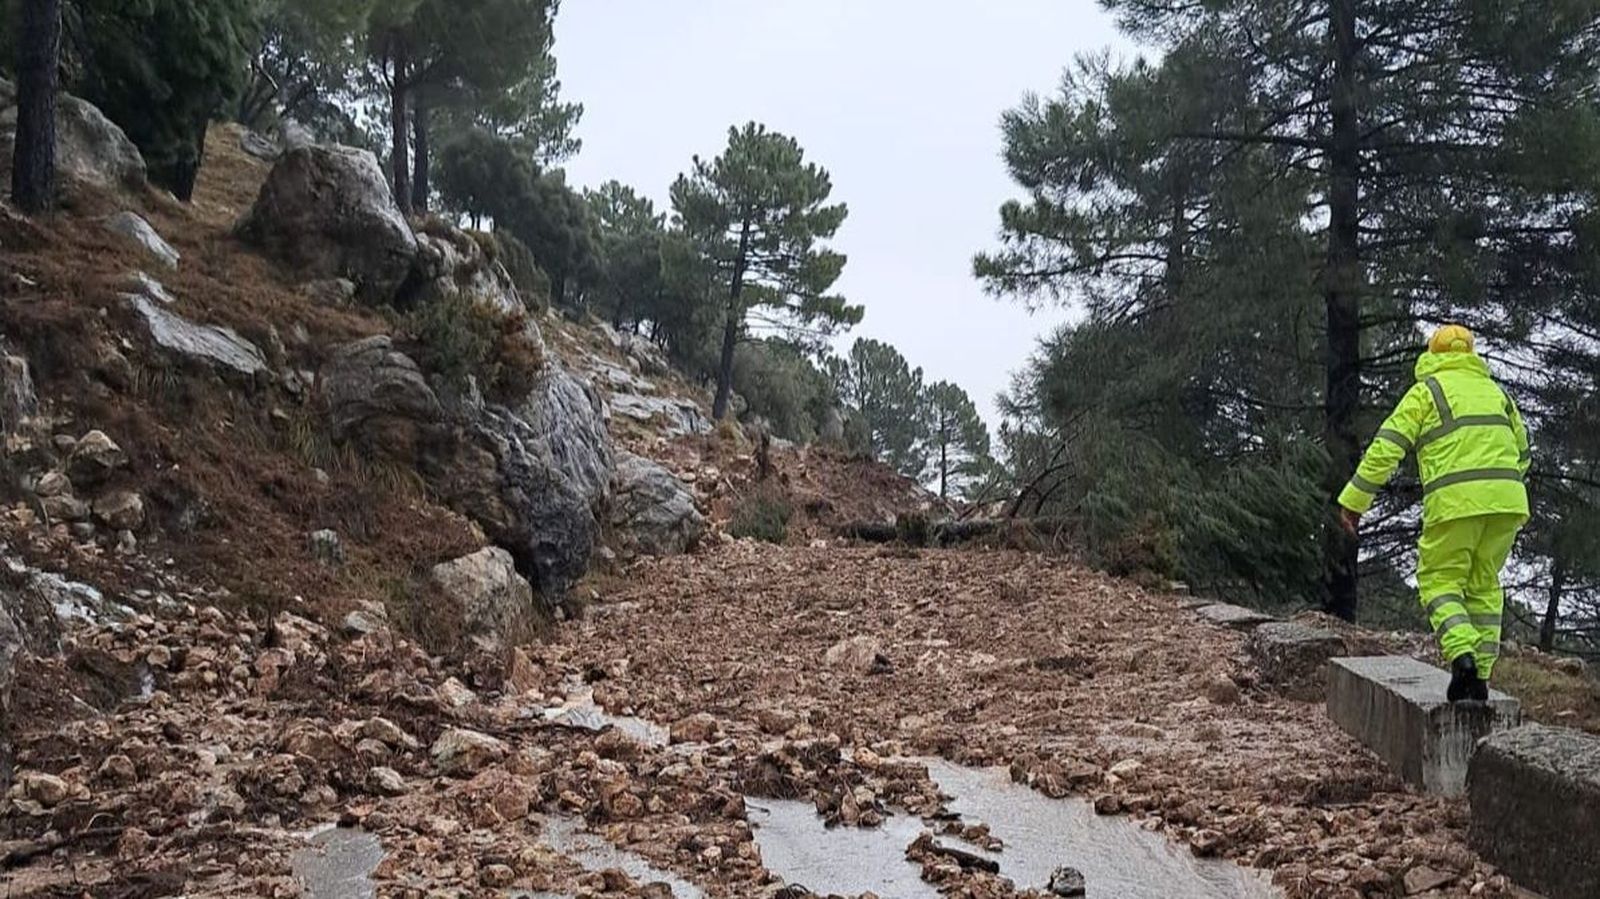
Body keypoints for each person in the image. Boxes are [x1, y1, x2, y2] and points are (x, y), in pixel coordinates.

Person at [1336, 325, 1531, 702]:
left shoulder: (1427, 392)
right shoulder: (1499, 394)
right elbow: (1523, 454)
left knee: (1439, 580)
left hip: (1456, 504)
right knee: (1484, 586)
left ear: (1433, 354)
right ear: (1471, 354)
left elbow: (1386, 449)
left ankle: (1463, 659)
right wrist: (1499, 490)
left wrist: (1355, 501)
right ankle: (1481, 680)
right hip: (1508, 502)